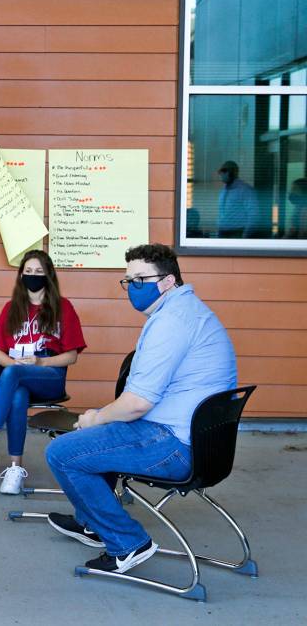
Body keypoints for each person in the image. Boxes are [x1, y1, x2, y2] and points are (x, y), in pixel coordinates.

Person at [44, 244, 237, 574]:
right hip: (201, 443)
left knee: (62, 452)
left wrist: (95, 418)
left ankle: (128, 543)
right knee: (97, 437)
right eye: (128, 280)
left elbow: (137, 404)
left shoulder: (171, 322)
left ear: (167, 281)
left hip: (175, 446)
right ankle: (93, 525)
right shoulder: (190, 311)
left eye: (140, 278)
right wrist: (102, 419)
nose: (132, 287)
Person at [0, 250, 86, 494]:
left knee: (13, 375)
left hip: (50, 376)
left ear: (49, 275)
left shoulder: (63, 308)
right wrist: (16, 367)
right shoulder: (11, 309)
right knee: (17, 394)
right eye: (28, 272)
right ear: (20, 275)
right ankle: (15, 469)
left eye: (39, 272)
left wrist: (40, 363)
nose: (33, 276)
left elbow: (72, 356)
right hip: (17, 376)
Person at [216, 160, 259, 238]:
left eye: (224, 171)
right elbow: (221, 213)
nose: (221, 174)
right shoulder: (224, 191)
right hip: (223, 233)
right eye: (221, 172)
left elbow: (253, 214)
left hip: (237, 233)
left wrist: (245, 236)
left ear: (232, 172)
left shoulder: (246, 190)